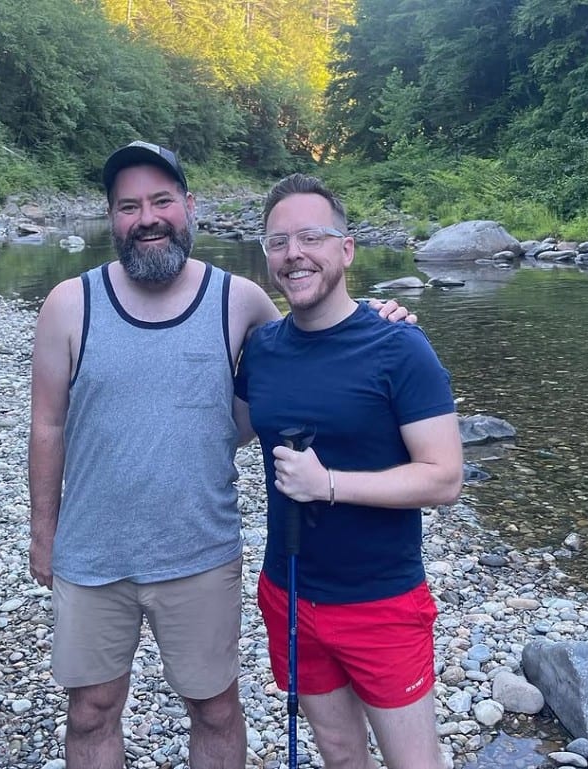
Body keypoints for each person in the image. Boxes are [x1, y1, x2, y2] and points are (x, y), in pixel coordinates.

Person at [28, 141, 413, 769]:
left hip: (201, 554)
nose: (147, 217)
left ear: (189, 206)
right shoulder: (70, 304)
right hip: (92, 555)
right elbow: (46, 426)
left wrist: (378, 316)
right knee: (90, 709)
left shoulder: (241, 302)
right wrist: (43, 534)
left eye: (161, 200)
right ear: (111, 218)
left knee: (214, 708)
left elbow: (316, 340)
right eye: (128, 206)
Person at [233, 173, 464, 769]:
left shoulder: (399, 345)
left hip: (381, 599)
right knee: (338, 752)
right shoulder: (262, 349)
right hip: (288, 591)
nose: (294, 254)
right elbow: (223, 431)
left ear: (346, 248)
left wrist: (328, 485)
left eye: (311, 236)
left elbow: (444, 477)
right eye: (278, 242)